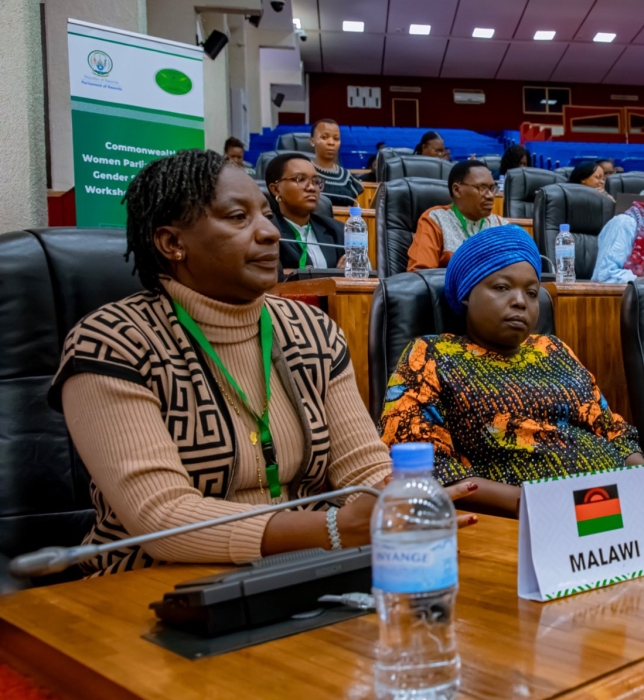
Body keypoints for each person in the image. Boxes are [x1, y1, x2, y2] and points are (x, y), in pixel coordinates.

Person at [48, 150, 476, 576]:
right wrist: (331, 528)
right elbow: (160, 518)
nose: (270, 232)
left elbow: (362, 467)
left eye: (266, 215)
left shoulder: (311, 329)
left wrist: (397, 503)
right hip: (148, 584)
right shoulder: (113, 342)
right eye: (238, 218)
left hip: (303, 573)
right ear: (172, 242)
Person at [381, 225, 643, 516]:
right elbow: (425, 468)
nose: (521, 301)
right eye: (502, 287)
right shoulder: (431, 355)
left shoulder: (553, 349)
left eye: (532, 292)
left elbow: (613, 433)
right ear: (467, 293)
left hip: (611, 509)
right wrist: (533, 504)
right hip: (519, 521)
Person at [408, 159, 506, 271]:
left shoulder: (501, 226)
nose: (490, 196)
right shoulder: (436, 220)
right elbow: (420, 274)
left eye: (492, 188)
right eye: (482, 188)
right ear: (457, 190)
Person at [264, 153, 344, 272]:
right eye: (300, 179)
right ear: (276, 189)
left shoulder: (337, 230)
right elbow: (271, 277)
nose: (311, 187)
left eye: (316, 181)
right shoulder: (268, 234)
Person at [308, 119, 363, 206]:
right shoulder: (304, 173)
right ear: (312, 141)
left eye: (336, 139)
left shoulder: (347, 178)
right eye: (324, 137)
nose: (331, 143)